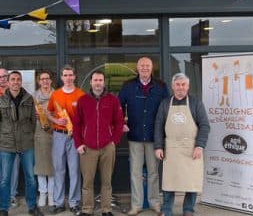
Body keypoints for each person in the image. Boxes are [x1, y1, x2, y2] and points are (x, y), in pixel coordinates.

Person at [118, 57, 169, 215]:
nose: (145, 68)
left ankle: (155, 203)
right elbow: (118, 107)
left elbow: (167, 108)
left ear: (151, 68)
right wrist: (121, 122)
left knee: (153, 172)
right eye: (142, 66)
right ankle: (137, 205)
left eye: (147, 65)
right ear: (137, 68)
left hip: (155, 137)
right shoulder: (128, 86)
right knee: (135, 172)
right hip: (135, 136)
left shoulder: (161, 86)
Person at [154, 73, 210, 216]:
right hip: (171, 148)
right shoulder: (165, 103)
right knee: (169, 182)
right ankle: (167, 210)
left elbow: (204, 126)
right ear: (173, 86)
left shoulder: (196, 103)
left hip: (191, 148)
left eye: (183, 84)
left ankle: (188, 210)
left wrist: (200, 146)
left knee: (191, 182)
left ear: (188, 86)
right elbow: (158, 126)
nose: (180, 88)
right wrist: (158, 146)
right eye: (178, 85)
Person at [0, 71, 44, 216]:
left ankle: (32, 206)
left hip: (26, 144)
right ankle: (4, 208)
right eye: (13, 79)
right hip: (7, 145)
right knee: (5, 179)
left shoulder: (29, 99)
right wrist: (2, 139)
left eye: (18, 79)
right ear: (8, 82)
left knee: (30, 178)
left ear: (21, 82)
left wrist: (27, 135)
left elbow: (33, 122)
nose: (16, 82)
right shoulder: (0, 100)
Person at [73, 71, 124, 216]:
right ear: (90, 82)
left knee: (106, 181)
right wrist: (79, 144)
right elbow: (76, 124)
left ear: (104, 82)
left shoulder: (112, 100)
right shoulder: (83, 100)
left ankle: (106, 209)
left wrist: (114, 141)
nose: (98, 83)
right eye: (95, 80)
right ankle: (87, 209)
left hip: (107, 147)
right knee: (87, 182)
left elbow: (119, 122)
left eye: (100, 80)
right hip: (87, 148)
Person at [47, 65, 85, 215]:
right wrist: (56, 121)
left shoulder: (81, 95)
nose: (68, 78)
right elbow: (49, 113)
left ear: (74, 76)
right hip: (58, 135)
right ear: (61, 77)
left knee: (75, 170)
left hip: (75, 136)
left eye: (70, 75)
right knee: (59, 170)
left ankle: (74, 203)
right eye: (65, 75)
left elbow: (85, 118)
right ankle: (58, 203)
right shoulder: (55, 94)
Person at [0, 68, 20, 209]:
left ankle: (12, 195)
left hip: (14, 138)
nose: (2, 79)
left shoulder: (18, 92)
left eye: (5, 76)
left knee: (13, 167)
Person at [33, 71, 55, 207]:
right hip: (39, 134)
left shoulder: (57, 94)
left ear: (51, 81)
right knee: (40, 166)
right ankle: (42, 194)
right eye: (42, 79)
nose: (45, 81)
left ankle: (52, 194)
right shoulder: (33, 96)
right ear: (39, 81)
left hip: (55, 133)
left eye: (47, 79)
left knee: (53, 166)